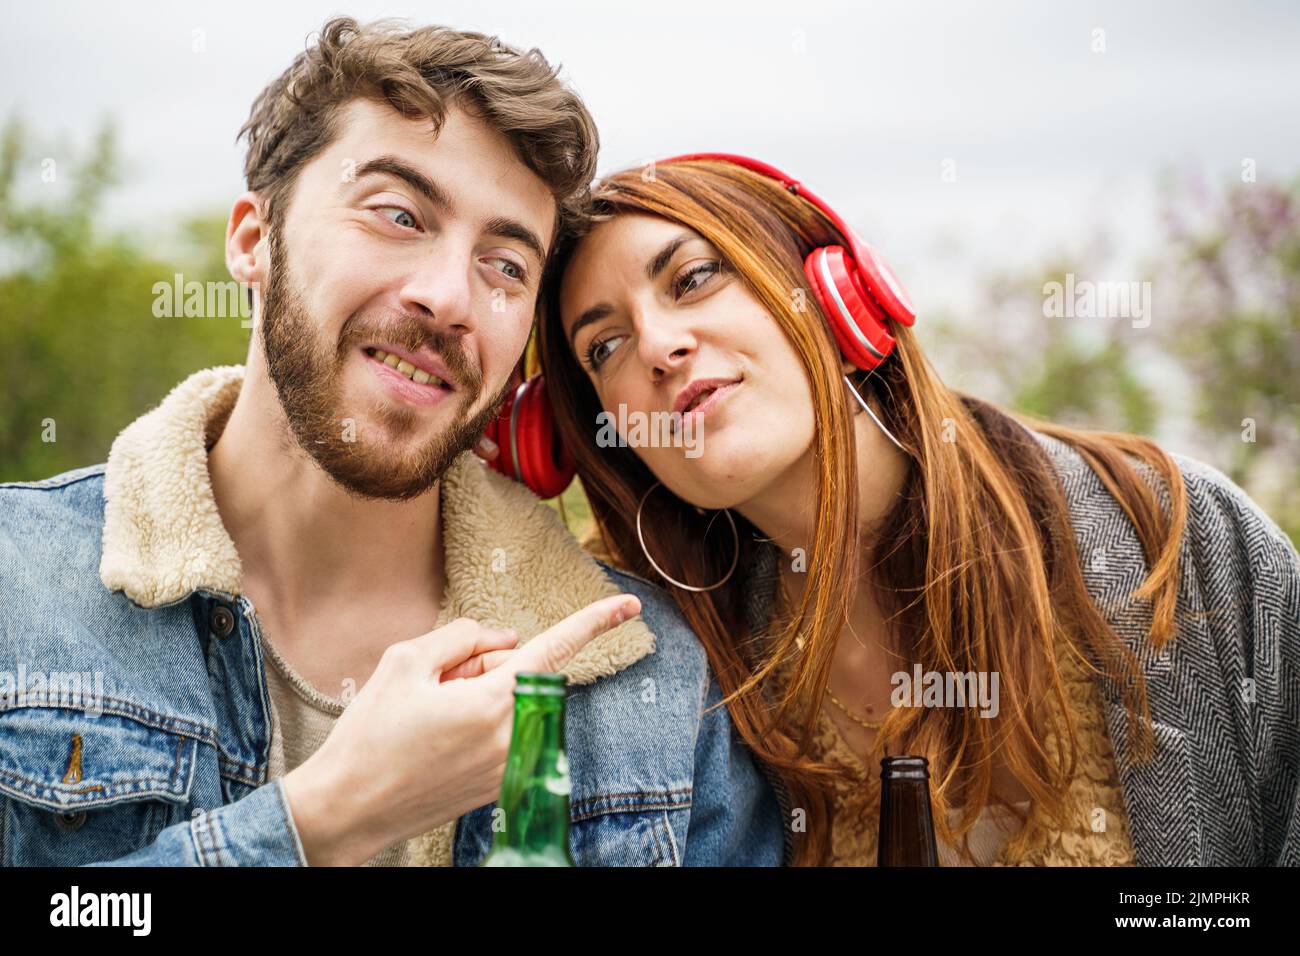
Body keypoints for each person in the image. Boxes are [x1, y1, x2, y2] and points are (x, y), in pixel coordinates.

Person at [0, 21, 783, 867]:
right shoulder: (17, 588)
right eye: (399, 215)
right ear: (254, 241)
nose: (449, 296)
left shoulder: (661, 687)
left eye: (506, 266)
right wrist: (325, 821)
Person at [511, 152, 1300, 866]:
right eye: (603, 346)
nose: (656, 346)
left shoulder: (1176, 537)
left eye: (692, 279)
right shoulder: (672, 673)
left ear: (836, 292)